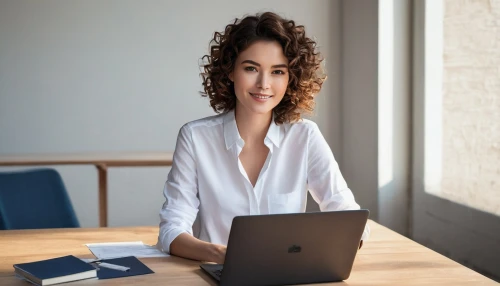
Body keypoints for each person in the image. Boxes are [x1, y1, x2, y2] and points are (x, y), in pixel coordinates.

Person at [158, 11, 369, 264]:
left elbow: (348, 215)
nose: (264, 84)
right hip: (217, 274)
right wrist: (223, 255)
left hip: (287, 274)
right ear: (230, 72)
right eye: (251, 68)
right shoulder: (195, 138)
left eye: (277, 72)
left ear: (291, 78)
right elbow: (171, 230)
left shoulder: (305, 136)